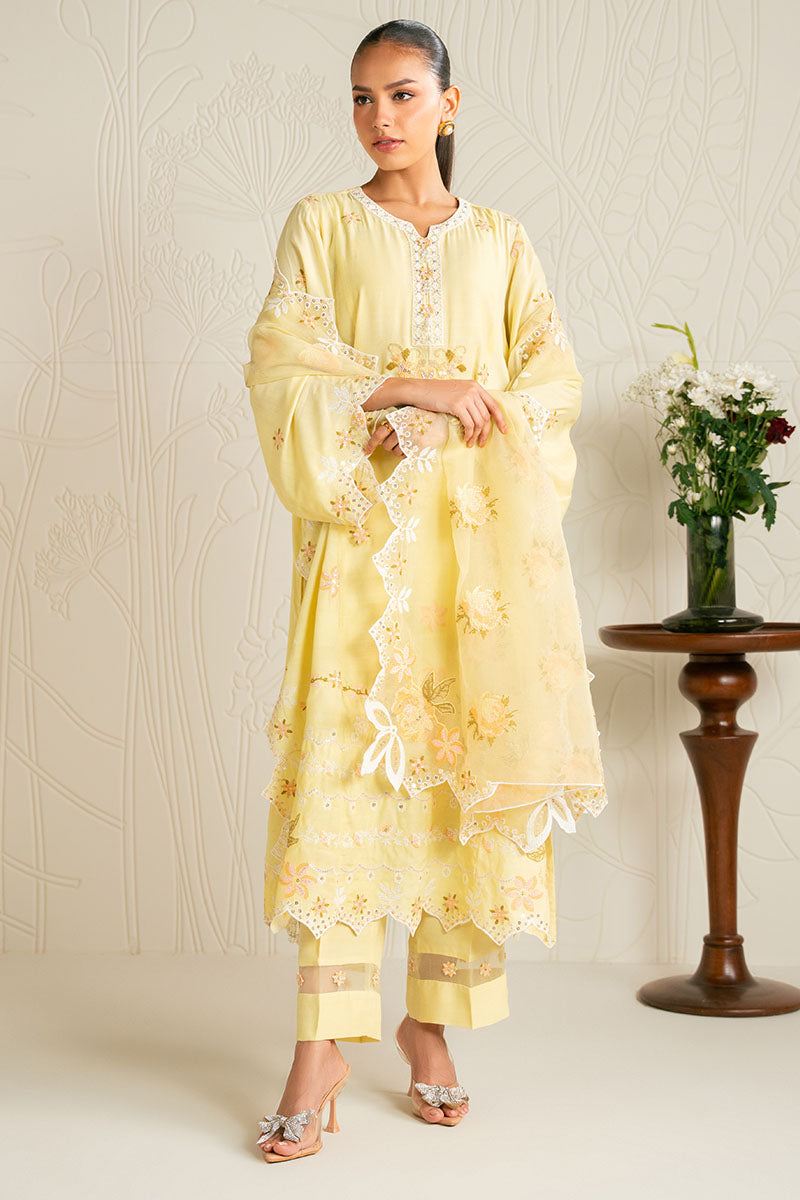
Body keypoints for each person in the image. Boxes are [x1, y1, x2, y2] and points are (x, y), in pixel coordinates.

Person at [243, 18, 608, 1163]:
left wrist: (479, 411)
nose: (379, 118)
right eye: (361, 98)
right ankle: (320, 1044)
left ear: (450, 104)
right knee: (346, 773)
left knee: (464, 767)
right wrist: (410, 387)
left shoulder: (500, 241)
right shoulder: (321, 225)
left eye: (401, 94)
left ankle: (430, 1024)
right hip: (364, 547)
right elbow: (282, 364)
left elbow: (550, 382)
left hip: (478, 562)